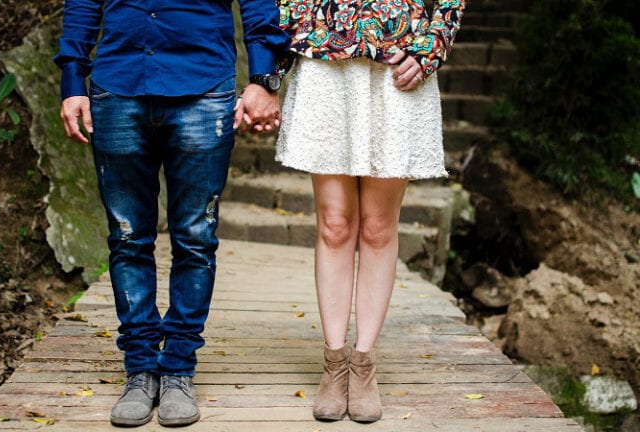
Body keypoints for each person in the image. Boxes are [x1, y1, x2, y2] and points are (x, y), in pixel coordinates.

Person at [54, 1, 289, 427]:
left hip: (203, 88)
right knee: (127, 237)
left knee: (196, 239)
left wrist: (263, 78)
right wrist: (72, 80)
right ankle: (141, 369)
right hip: (118, 86)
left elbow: (259, 3)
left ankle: (178, 367)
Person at [276, 0, 465, 423]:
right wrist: (288, 45)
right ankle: (334, 362)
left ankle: (363, 365)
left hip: (398, 66)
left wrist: (429, 47)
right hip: (325, 61)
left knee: (378, 228)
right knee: (335, 225)